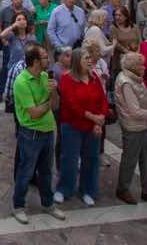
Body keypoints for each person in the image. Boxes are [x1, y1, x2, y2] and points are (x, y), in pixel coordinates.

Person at [9, 44, 64, 224]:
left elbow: (55, 105)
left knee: (46, 171)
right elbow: (34, 112)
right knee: (26, 171)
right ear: (35, 61)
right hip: (30, 133)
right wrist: (48, 103)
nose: (48, 59)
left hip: (48, 131)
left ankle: (48, 203)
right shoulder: (22, 82)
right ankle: (18, 206)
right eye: (44, 57)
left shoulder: (44, 76)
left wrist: (54, 90)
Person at [55, 46, 107, 207]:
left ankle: (87, 190)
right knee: (69, 159)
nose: (90, 61)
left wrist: (101, 119)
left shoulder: (95, 78)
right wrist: (95, 119)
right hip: (72, 124)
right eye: (86, 58)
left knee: (91, 159)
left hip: (93, 126)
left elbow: (102, 100)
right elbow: (72, 104)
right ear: (78, 61)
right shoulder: (66, 79)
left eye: (90, 58)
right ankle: (64, 189)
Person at [114, 51, 147, 206]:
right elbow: (134, 111)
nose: (144, 67)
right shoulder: (126, 82)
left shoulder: (135, 78)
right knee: (130, 159)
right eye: (141, 64)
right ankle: (123, 189)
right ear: (133, 67)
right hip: (133, 126)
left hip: (144, 124)